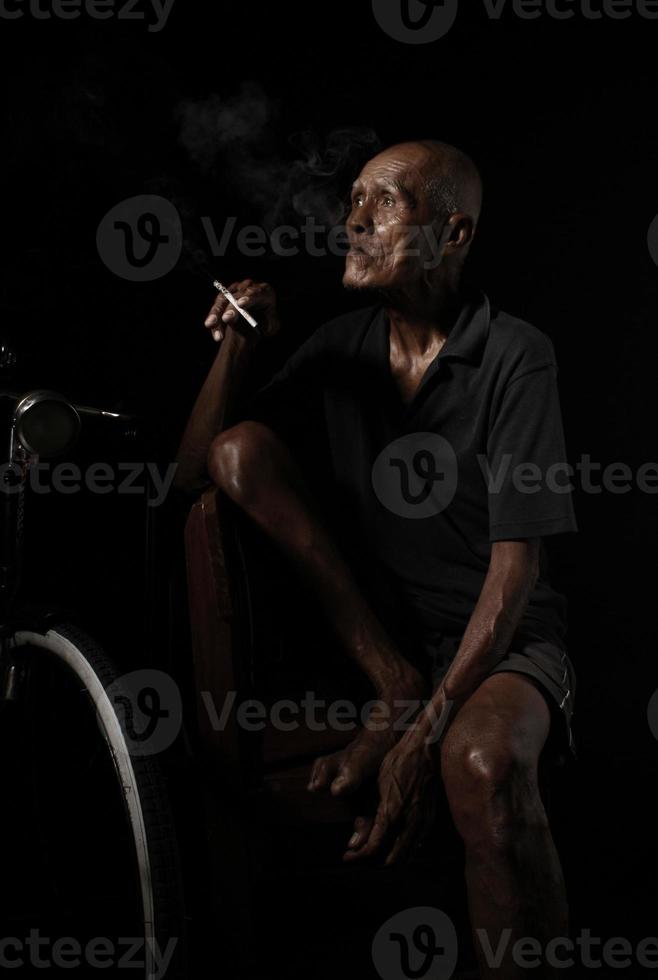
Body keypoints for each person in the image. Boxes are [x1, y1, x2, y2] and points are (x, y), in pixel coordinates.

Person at [174, 139, 578, 979]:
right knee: (243, 450)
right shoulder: (340, 346)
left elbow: (516, 571)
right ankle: (392, 679)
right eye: (352, 199)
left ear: (455, 234)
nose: (353, 221)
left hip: (500, 641)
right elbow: (192, 480)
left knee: (482, 763)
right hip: (384, 644)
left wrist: (422, 735)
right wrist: (237, 349)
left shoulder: (515, 354)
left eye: (385, 204)